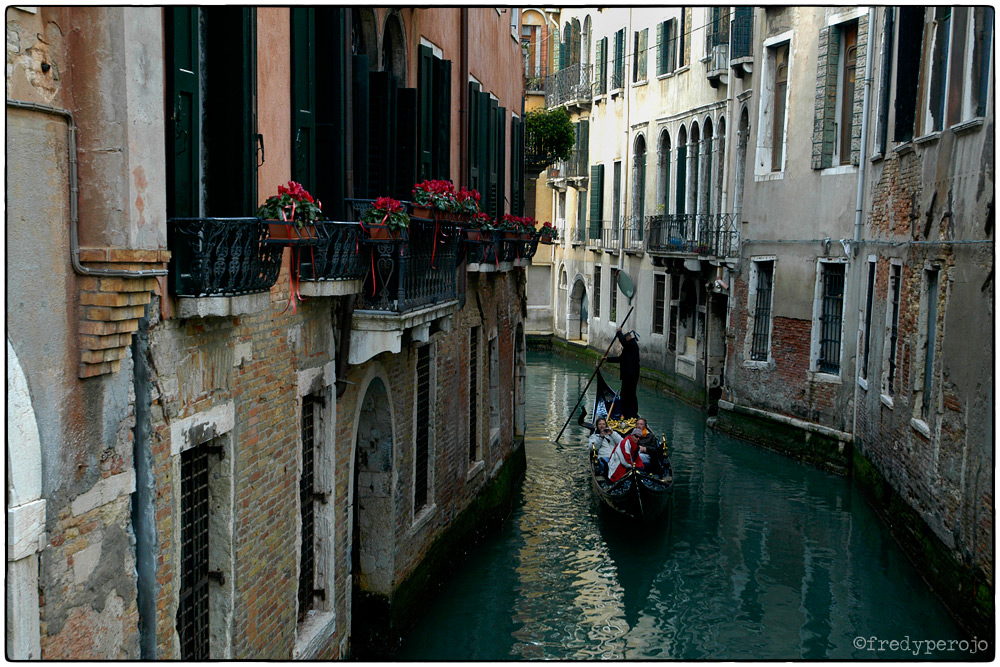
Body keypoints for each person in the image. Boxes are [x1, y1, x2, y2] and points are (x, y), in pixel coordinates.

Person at [602, 326, 640, 419]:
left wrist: (619, 332)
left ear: (629, 337)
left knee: (631, 395)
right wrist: (607, 359)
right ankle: (626, 414)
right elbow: (620, 359)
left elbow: (624, 343)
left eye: (625, 337)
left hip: (631, 375)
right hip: (627, 375)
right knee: (624, 395)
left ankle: (633, 415)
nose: (624, 339)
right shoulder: (627, 348)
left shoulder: (632, 345)